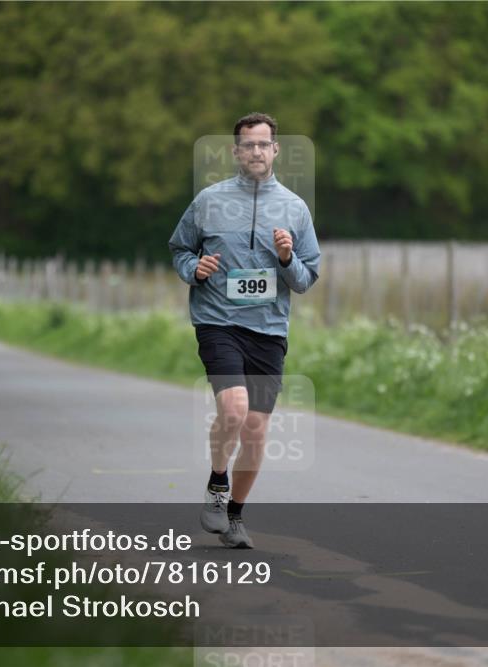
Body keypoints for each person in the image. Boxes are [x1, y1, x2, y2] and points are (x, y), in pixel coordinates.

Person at [168, 112, 321, 548]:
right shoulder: (208, 201)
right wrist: (194, 269)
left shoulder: (294, 208)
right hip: (218, 321)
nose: (256, 151)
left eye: (263, 144)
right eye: (247, 145)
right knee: (233, 410)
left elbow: (307, 278)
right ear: (236, 152)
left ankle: (234, 516)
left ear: (275, 150)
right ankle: (217, 484)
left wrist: (289, 258)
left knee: (255, 429)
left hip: (268, 329)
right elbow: (180, 248)